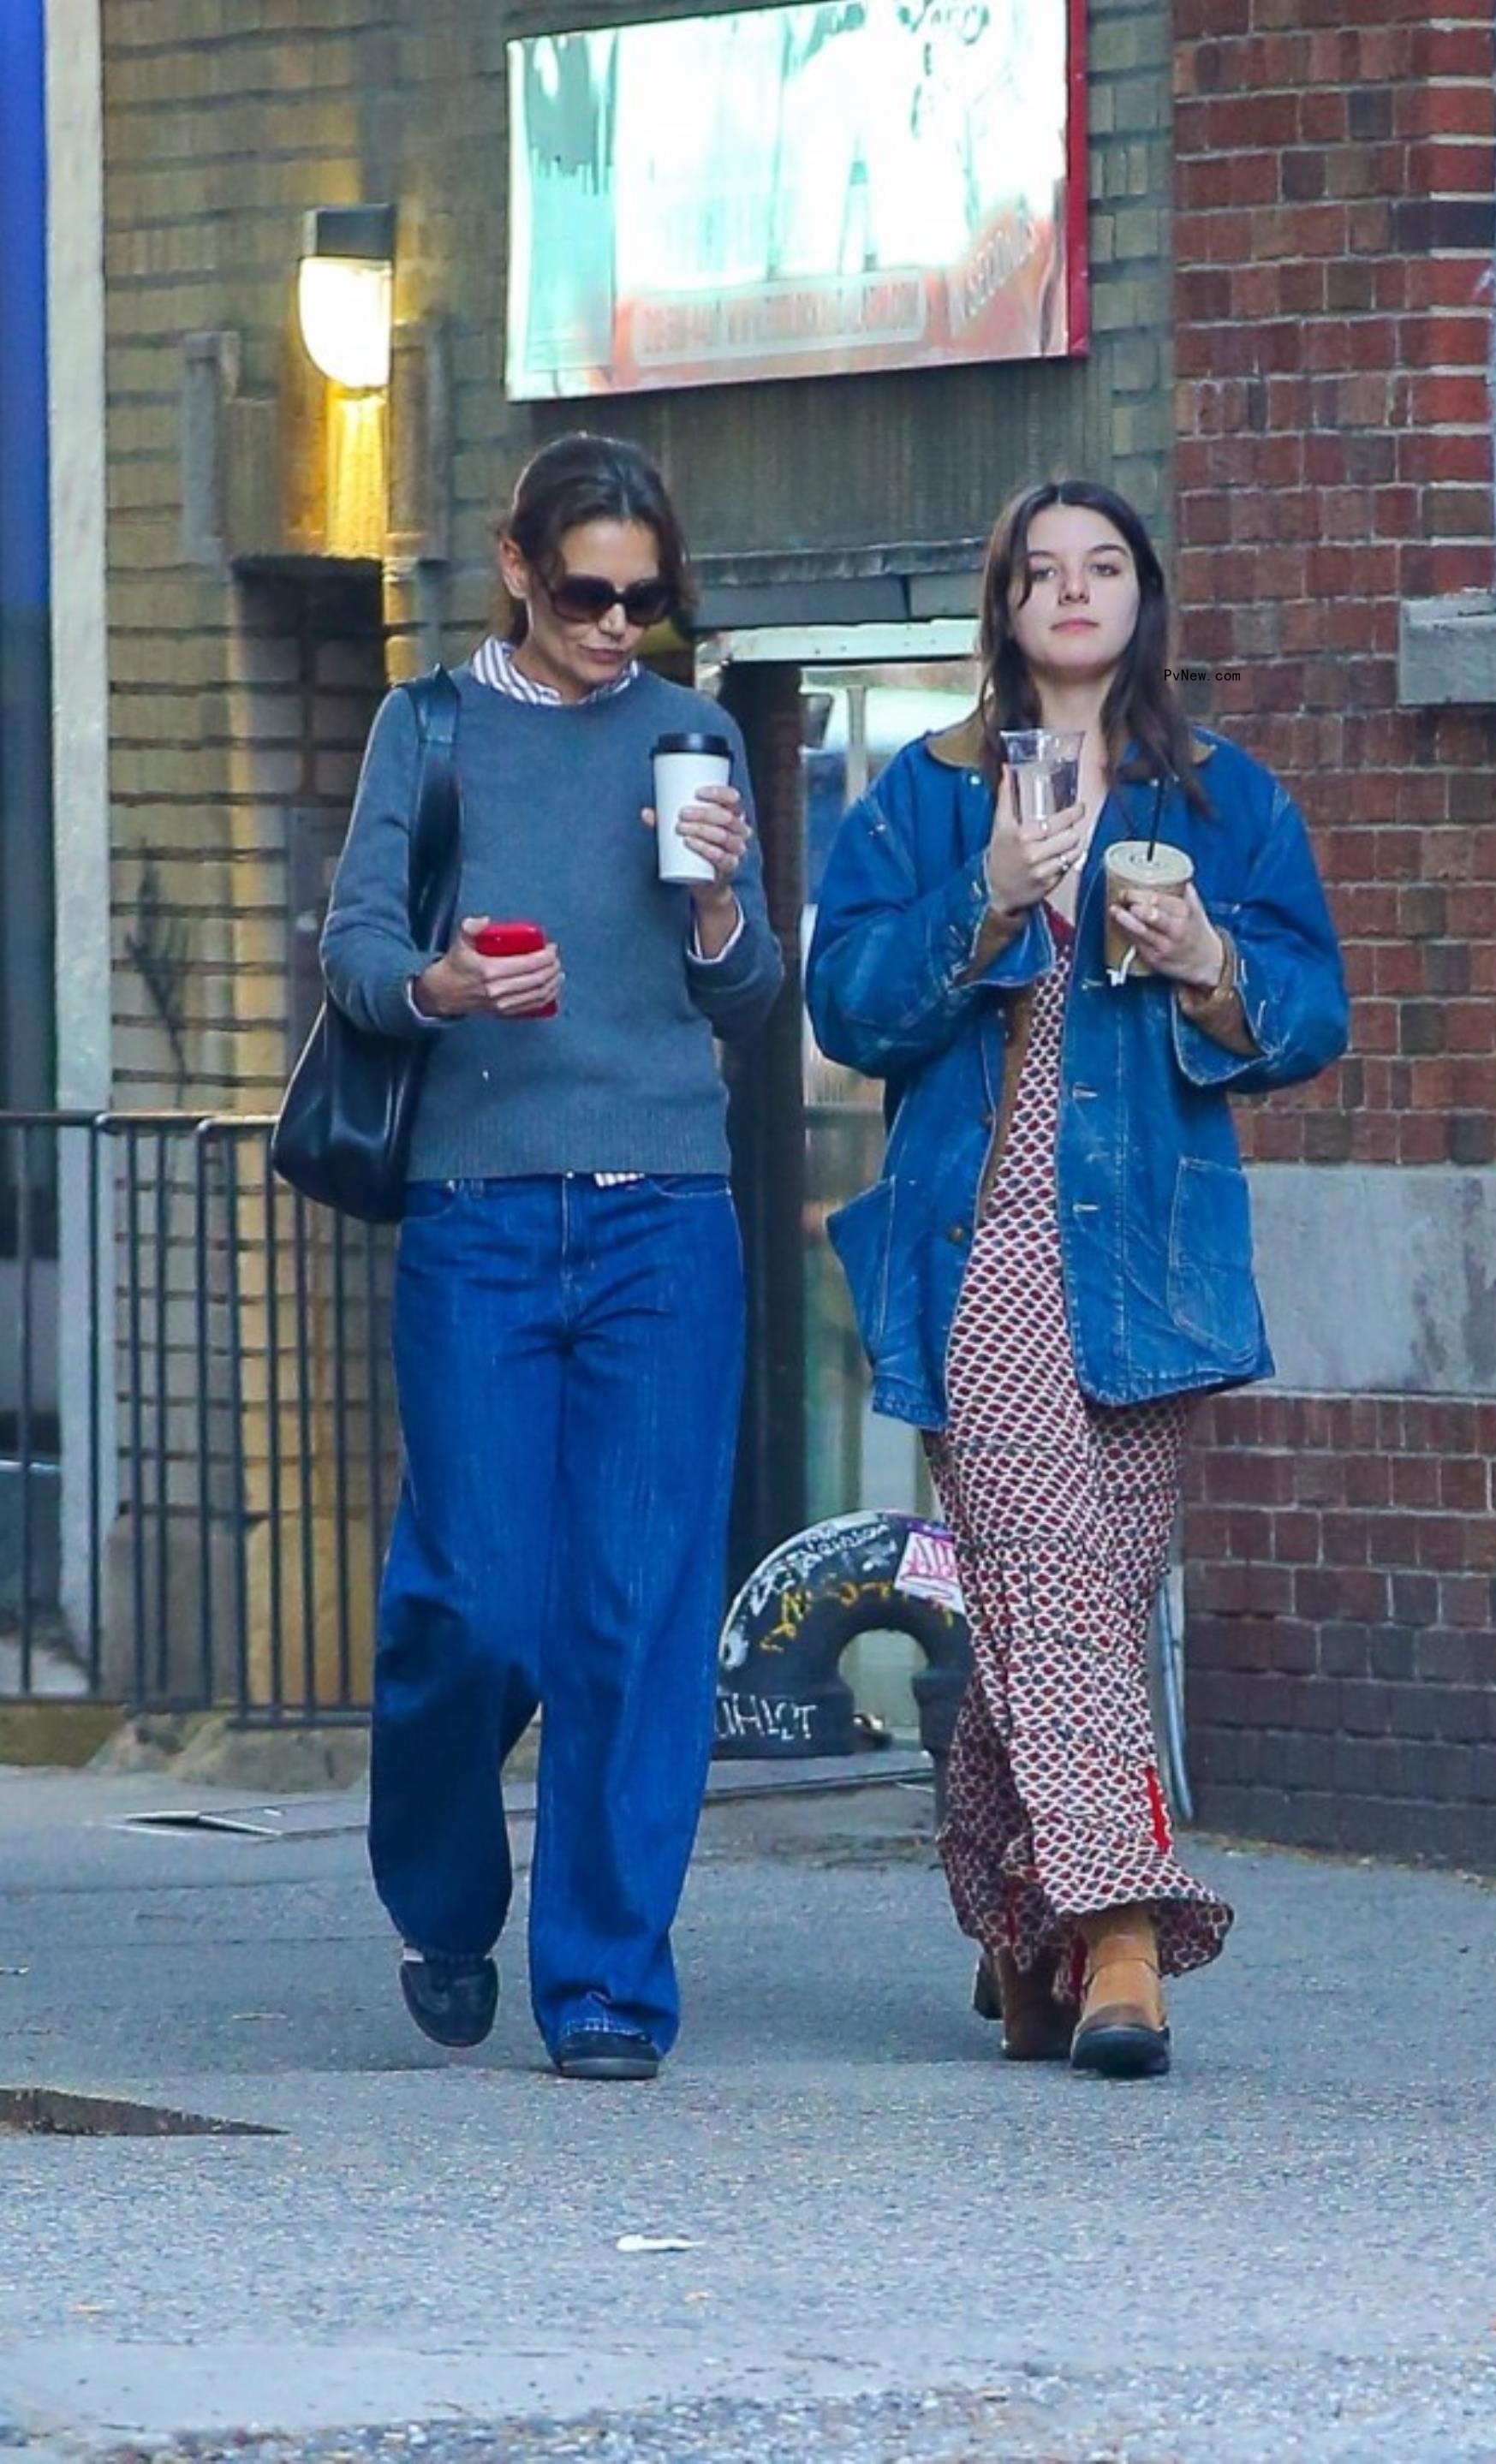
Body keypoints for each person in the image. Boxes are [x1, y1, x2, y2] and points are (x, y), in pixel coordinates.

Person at [806, 479, 1347, 2078]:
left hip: (1149, 1255)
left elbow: (1314, 1010)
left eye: (1103, 565)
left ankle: (1010, 1916)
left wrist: (1212, 968)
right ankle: (1120, 1939)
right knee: (1048, 1562)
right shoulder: (922, 797)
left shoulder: (1221, 798)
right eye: (1043, 570)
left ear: (1143, 599)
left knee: (1086, 1589)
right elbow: (845, 1007)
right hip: (977, 1243)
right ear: (1006, 610)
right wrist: (985, 902)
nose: (1074, 589)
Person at [321, 433, 782, 2081]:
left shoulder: (690, 734)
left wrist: (724, 912)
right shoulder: (428, 728)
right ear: (517, 568)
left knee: (636, 1604)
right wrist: (439, 988)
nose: (617, 625)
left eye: (647, 600)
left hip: (666, 1208)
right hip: (480, 1216)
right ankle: (445, 1896)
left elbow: (746, 993)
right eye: (587, 592)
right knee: (480, 1597)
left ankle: (603, 1980)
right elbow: (357, 943)